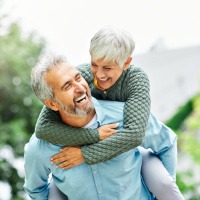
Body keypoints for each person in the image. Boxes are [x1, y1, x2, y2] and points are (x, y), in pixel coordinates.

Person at [34, 26, 184, 199]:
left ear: (126, 63)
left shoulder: (136, 80)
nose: (99, 74)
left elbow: (134, 135)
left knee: (165, 185)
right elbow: (43, 128)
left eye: (107, 68)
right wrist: (94, 135)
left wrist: (85, 154)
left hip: (135, 150)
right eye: (94, 64)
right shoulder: (81, 76)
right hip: (98, 149)